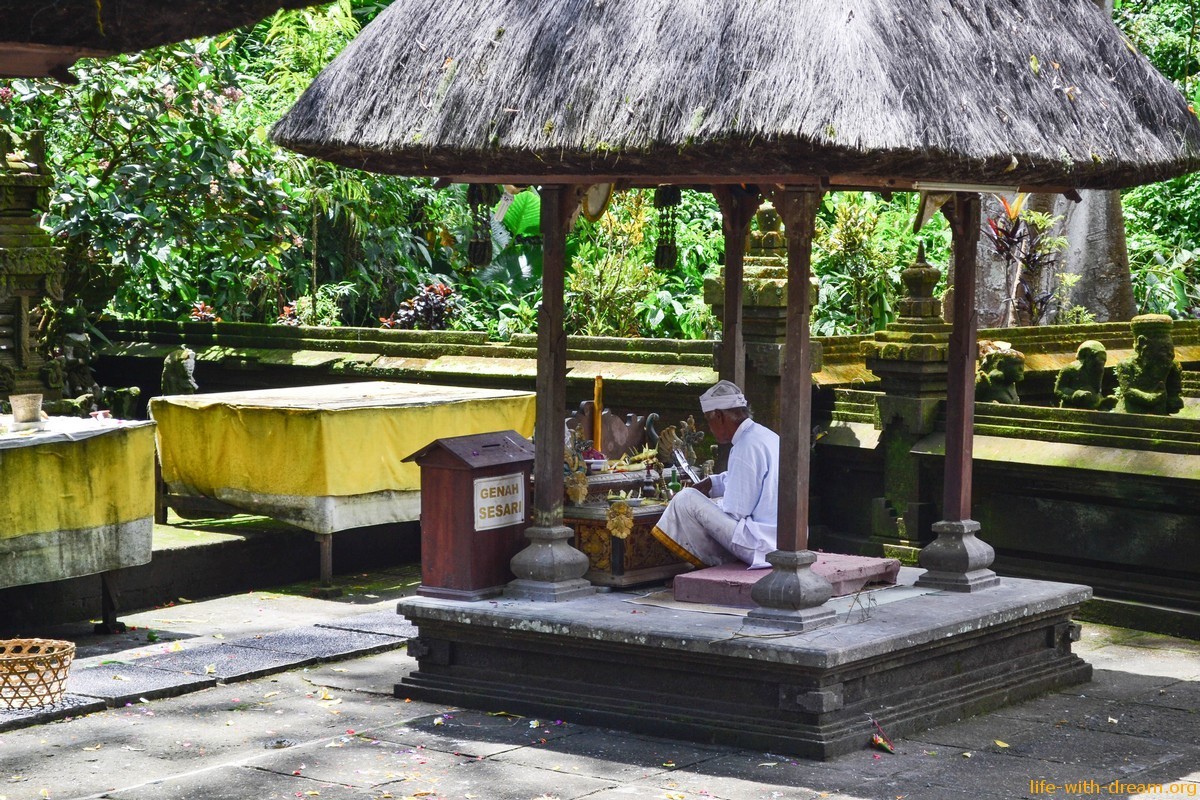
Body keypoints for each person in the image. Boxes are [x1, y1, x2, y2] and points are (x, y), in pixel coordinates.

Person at [650, 380, 778, 569]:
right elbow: (748, 479)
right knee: (699, 500)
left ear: (719, 416)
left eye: (709, 421)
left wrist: (711, 504)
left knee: (685, 499)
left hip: (760, 544)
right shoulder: (766, 436)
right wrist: (712, 483)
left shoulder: (745, 446)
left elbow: (736, 511)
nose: (709, 428)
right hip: (781, 540)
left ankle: (714, 563)